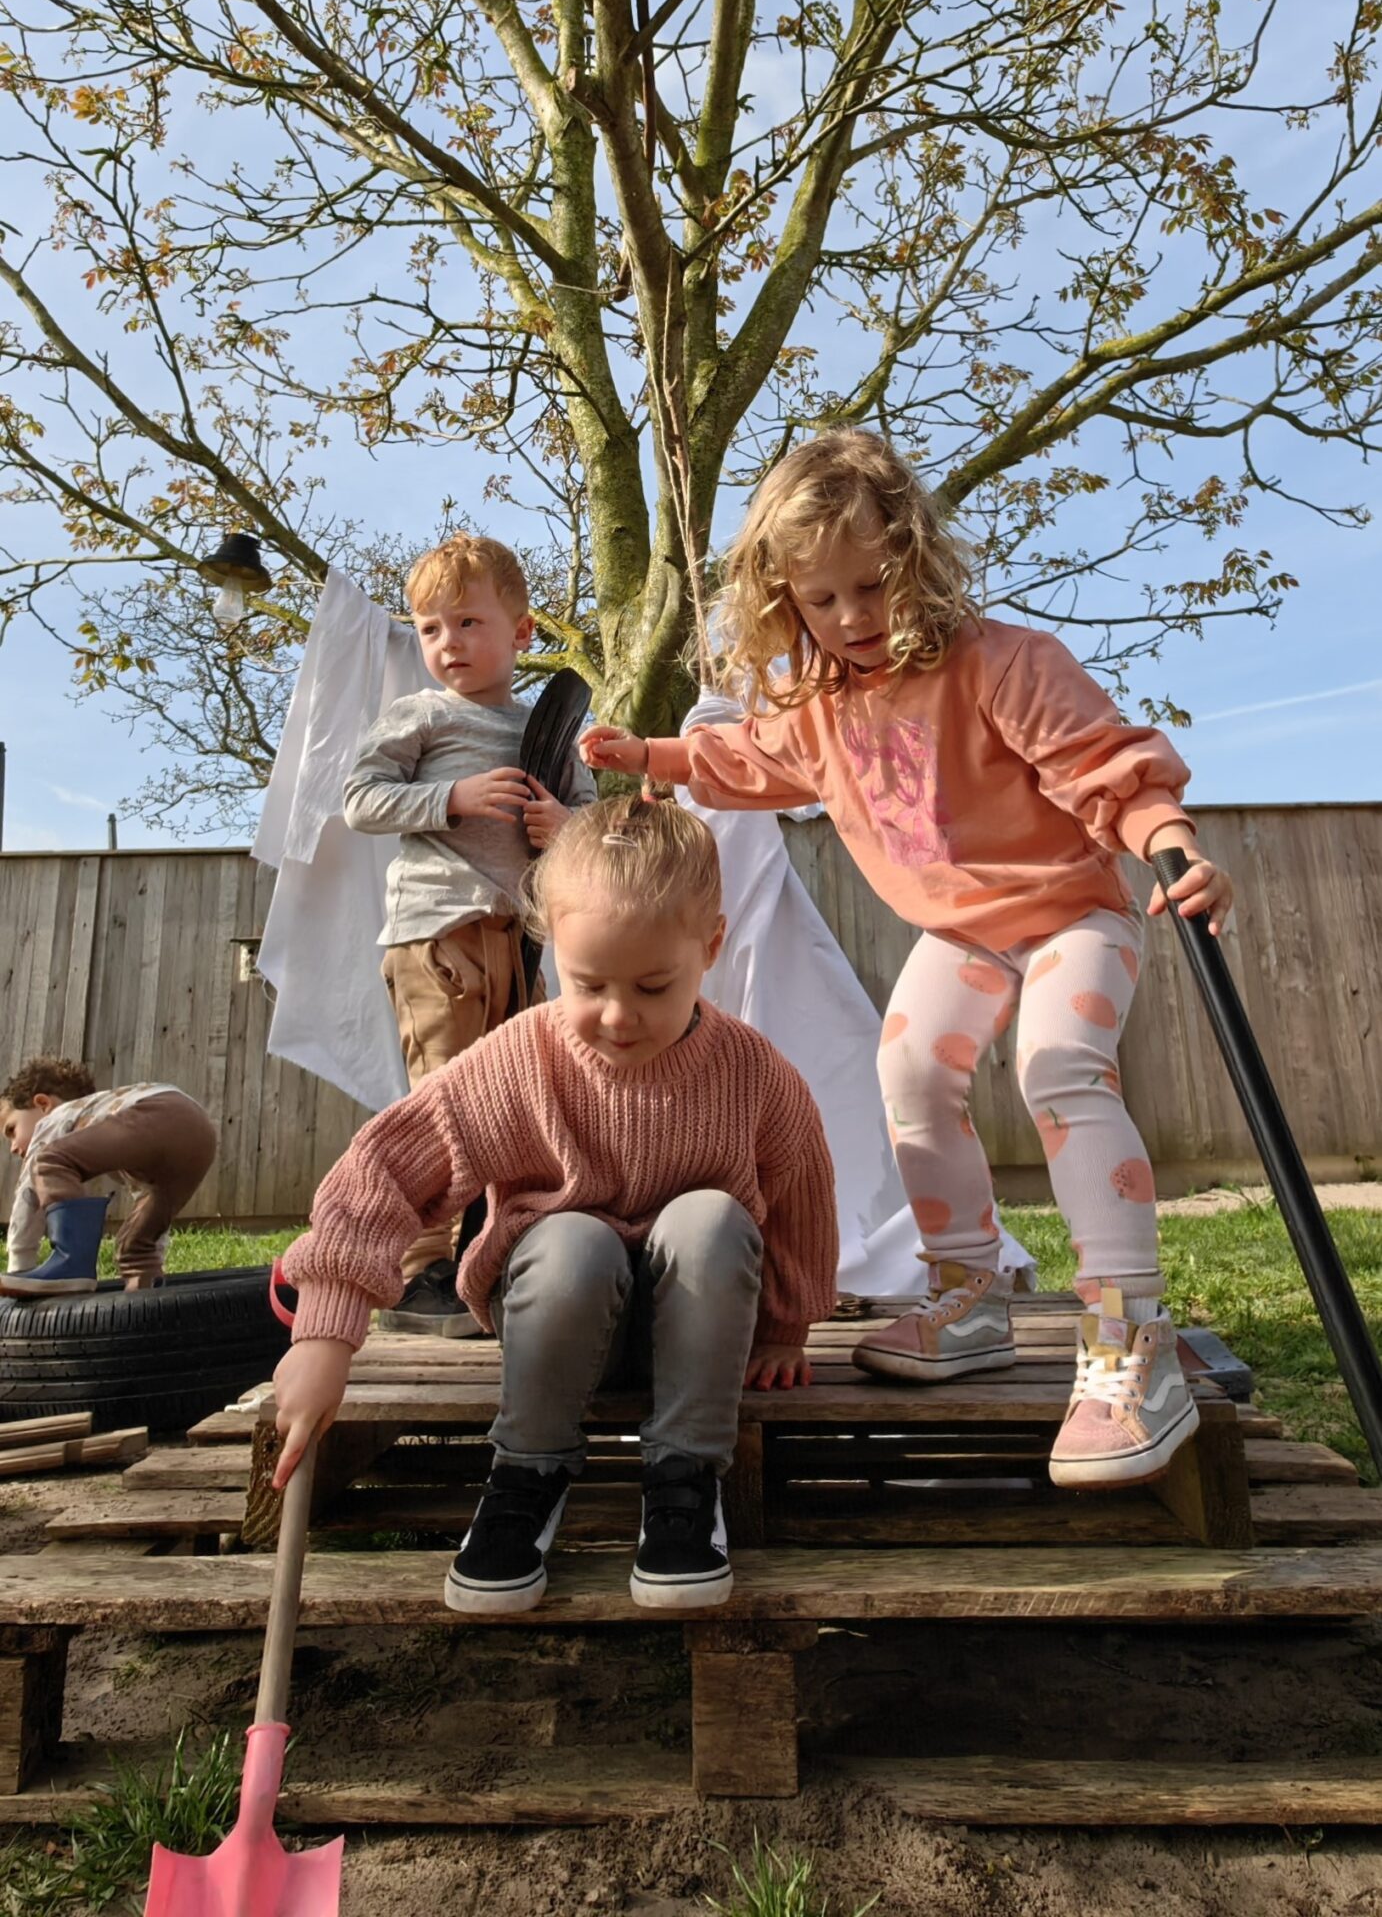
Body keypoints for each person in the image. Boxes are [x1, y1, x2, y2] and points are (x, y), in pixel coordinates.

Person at [582, 429, 1235, 1492]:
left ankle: (1130, 1339)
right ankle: (968, 1295)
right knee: (910, 1076)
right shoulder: (821, 708)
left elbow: (1101, 765)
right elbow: (745, 759)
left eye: (870, 586)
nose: (849, 620)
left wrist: (1169, 839)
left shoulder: (1003, 664)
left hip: (1073, 910)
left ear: (915, 556)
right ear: (785, 601)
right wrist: (649, 755)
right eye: (819, 600)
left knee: (1057, 1067)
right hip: (962, 931)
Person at [273, 797, 838, 1612]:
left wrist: (787, 1325)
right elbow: (386, 1167)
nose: (617, 1014)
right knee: (572, 1238)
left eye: (652, 985)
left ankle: (684, 1478)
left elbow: (801, 1193)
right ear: (552, 954)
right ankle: (526, 1471)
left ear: (710, 947)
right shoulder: (522, 1060)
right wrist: (326, 1331)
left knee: (713, 1216)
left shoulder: (751, 1073)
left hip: (699, 1336)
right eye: (588, 982)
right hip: (561, 1321)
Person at [343, 531, 594, 1334]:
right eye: (430, 629)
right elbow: (360, 800)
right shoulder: (419, 715)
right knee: (444, 1098)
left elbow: (586, 820)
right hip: (437, 936)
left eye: (468, 623)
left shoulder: (545, 730)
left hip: (520, 941)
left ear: (521, 633)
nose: (448, 643)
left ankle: (489, 1258)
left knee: (514, 1103)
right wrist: (448, 798)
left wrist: (563, 824)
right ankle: (419, 1271)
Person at [0, 1059, 218, 1295]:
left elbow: (27, 1197)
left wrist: (19, 1270)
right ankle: (146, 1293)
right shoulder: (111, 1124)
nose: (12, 1147)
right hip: (200, 1134)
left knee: (47, 1161)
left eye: (11, 1130)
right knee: (137, 1242)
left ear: (43, 1104)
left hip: (161, 1110)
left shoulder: (56, 1117)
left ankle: (71, 1264)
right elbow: (147, 1200)